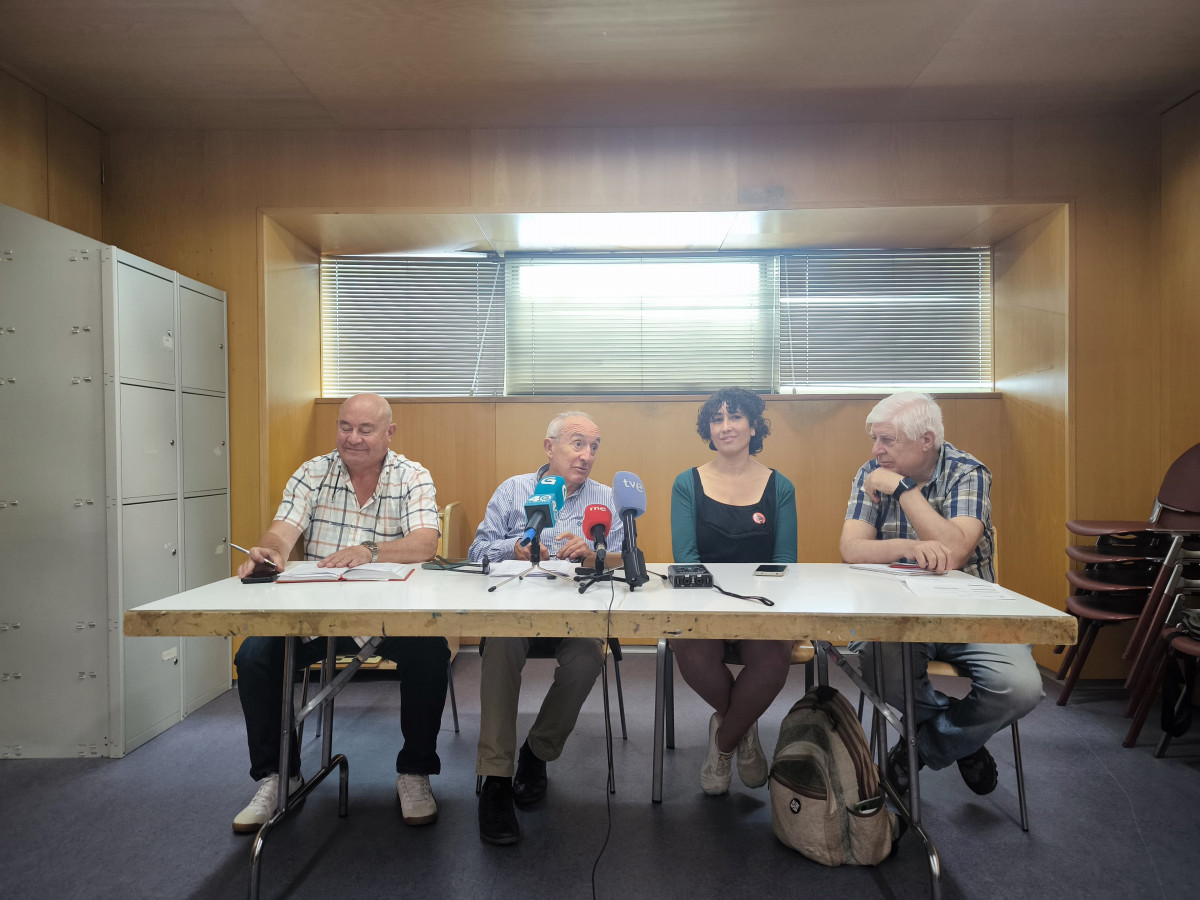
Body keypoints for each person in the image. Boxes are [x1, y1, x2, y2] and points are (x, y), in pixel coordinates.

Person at [232, 393, 447, 832]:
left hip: (390, 617)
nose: (353, 438)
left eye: (365, 430)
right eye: (345, 427)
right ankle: (279, 775)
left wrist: (370, 550)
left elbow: (426, 542)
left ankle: (414, 771)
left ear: (389, 433)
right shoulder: (312, 472)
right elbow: (282, 531)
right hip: (317, 617)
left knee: (431, 653)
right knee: (254, 656)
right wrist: (269, 552)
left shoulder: (412, 475)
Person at [839, 391, 1043, 796]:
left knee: (1019, 688)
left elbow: (954, 551)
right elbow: (851, 548)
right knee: (881, 671)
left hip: (973, 612)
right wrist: (909, 547)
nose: (876, 450)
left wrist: (904, 491)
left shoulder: (967, 472)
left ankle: (922, 746)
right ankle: (965, 739)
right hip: (897, 612)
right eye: (874, 439)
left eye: (886, 440)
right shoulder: (871, 471)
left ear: (926, 440)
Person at [468, 411, 624, 845]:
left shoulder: (606, 499)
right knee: (500, 646)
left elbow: (625, 558)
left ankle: (536, 751)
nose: (587, 455)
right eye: (577, 443)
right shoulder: (513, 489)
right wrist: (513, 548)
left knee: (587, 656)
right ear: (549, 446)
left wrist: (593, 553)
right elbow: (476, 550)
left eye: (594, 447)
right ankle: (496, 778)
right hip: (516, 607)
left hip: (577, 612)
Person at [670, 388, 798, 795]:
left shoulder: (780, 486)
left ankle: (723, 743)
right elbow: (687, 560)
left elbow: (784, 563)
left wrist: (752, 604)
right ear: (708, 429)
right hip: (703, 604)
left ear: (754, 426)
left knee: (774, 657)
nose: (725, 427)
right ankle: (743, 726)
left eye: (735, 417)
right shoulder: (687, 483)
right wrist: (717, 606)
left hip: (762, 606)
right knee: (690, 651)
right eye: (717, 419)